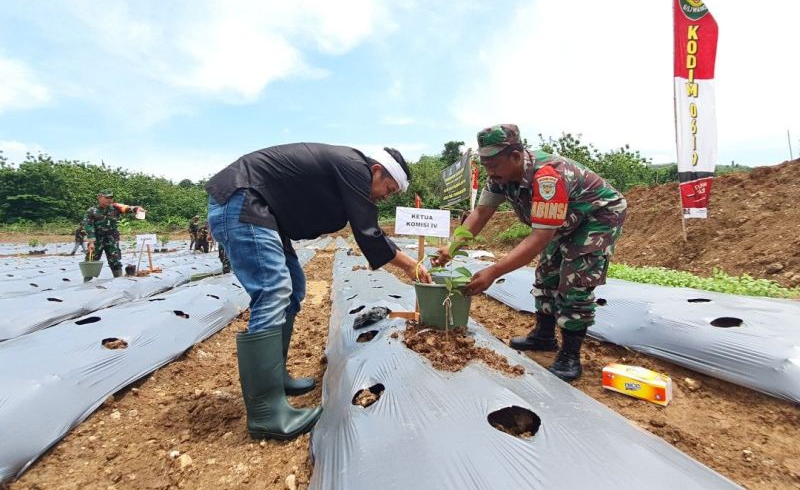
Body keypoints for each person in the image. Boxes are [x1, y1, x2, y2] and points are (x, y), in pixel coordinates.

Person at [206, 143, 431, 441]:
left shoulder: (351, 171)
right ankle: (265, 411)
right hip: (242, 200)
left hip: (264, 213)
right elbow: (367, 231)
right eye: (387, 188)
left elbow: (365, 223)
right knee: (273, 291)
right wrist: (409, 266)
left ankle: (276, 378)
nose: (384, 196)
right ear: (375, 171)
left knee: (294, 287)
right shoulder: (354, 166)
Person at [433, 125, 627, 382]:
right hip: (562, 221)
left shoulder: (548, 177)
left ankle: (570, 356)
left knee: (575, 281)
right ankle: (544, 336)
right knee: (547, 272)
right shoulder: (498, 178)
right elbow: (480, 213)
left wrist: (493, 271)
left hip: (596, 216)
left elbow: (540, 237)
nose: (490, 171)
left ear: (516, 156)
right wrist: (452, 247)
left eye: (494, 165)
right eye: (486, 165)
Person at [83, 189, 144, 280]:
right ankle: (87, 282)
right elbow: (88, 226)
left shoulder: (116, 207)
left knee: (115, 260)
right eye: (107, 197)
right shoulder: (92, 211)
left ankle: (118, 280)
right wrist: (91, 242)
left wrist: (137, 209)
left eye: (111, 197)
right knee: (92, 260)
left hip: (112, 238)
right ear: (99, 198)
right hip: (97, 239)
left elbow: (128, 208)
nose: (109, 199)